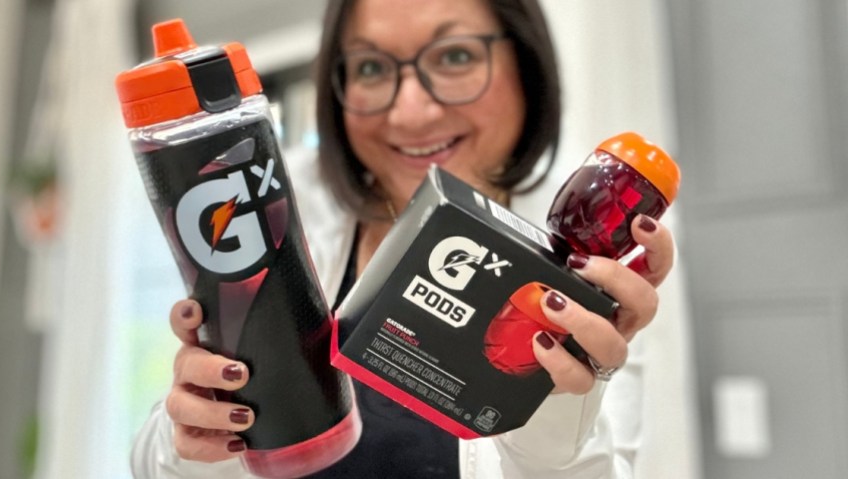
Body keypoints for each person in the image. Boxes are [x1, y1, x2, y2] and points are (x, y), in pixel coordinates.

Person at [131, 0, 677, 477]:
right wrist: (197, 438)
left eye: (455, 56)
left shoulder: (584, 279)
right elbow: (157, 467)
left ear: (526, 65)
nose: (410, 112)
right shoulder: (268, 207)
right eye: (371, 67)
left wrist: (556, 410)